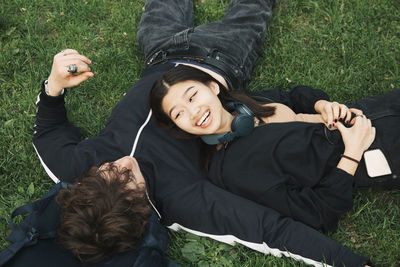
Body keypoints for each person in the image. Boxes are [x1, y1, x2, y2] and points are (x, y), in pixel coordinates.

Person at [33, 0, 372, 266]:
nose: (122, 162)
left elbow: (48, 133)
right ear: (141, 206)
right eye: (128, 178)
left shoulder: (77, 168)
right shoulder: (182, 200)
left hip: (159, 52)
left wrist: (54, 86)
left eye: (108, 169)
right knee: (252, 5)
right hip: (219, 59)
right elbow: (271, 230)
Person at [150, 64, 399, 232]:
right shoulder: (233, 170)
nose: (193, 112)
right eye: (178, 114)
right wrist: (353, 152)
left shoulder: (242, 105)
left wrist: (322, 104)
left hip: (368, 110)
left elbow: (289, 96)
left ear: (212, 87)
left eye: (192, 96)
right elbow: (318, 214)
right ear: (178, 126)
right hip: (375, 151)